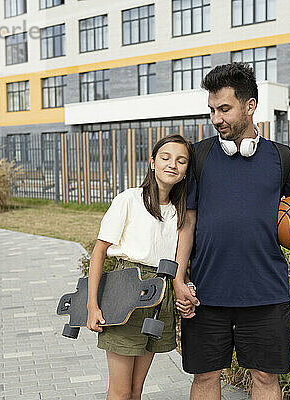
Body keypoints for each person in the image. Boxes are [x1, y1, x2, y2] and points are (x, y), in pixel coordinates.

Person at [173, 63, 290, 400]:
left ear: (250, 106)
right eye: (211, 110)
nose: (216, 118)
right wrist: (179, 279)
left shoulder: (283, 158)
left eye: (224, 109)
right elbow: (187, 221)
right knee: (205, 377)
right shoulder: (200, 155)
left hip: (266, 292)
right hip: (206, 291)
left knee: (265, 377)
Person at [86, 134, 196, 400]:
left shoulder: (179, 212)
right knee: (121, 391)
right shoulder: (129, 199)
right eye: (166, 157)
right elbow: (99, 250)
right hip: (127, 291)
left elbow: (180, 260)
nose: (173, 164)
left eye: (181, 161)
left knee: (136, 390)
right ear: (152, 162)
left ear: (184, 173)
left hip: (160, 295)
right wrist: (93, 305)